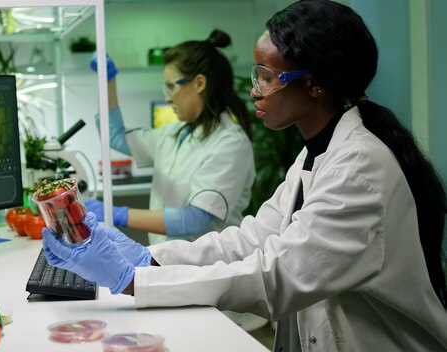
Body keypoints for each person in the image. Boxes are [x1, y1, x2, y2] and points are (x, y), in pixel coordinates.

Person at [42, 1, 447, 350]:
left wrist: (135, 280)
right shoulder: (316, 154)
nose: (255, 89)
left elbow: (277, 275)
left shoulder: (360, 167)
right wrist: (148, 258)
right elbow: (252, 239)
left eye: (267, 77)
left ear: (315, 84)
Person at [86, 29, 255, 246]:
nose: (167, 98)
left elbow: (196, 220)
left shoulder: (230, 143)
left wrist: (116, 213)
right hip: (168, 262)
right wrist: (108, 81)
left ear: (199, 83)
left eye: (171, 86)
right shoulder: (174, 134)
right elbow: (115, 136)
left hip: (207, 269)